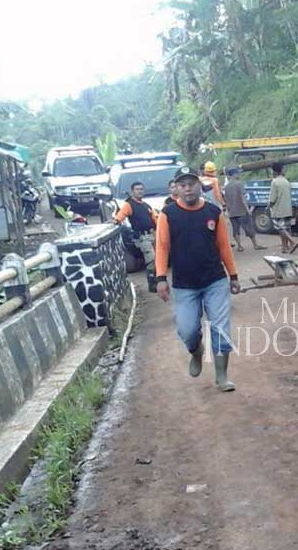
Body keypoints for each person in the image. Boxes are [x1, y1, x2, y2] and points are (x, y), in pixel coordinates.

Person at [156, 166, 241, 392]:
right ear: (177, 189)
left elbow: (224, 246)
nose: (187, 189)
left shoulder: (213, 213)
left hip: (215, 280)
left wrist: (233, 275)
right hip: (184, 284)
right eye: (182, 185)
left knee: (220, 328)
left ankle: (222, 376)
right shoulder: (168, 215)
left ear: (199, 185)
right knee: (187, 330)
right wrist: (160, 277)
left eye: (191, 184)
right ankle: (196, 351)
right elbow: (162, 247)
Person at [112, 181, 159, 291]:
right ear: (132, 191)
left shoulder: (146, 205)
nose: (139, 191)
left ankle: (157, 281)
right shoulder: (129, 204)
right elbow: (121, 215)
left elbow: (155, 219)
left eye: (141, 189)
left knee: (158, 259)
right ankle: (152, 283)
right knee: (151, 258)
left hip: (152, 235)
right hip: (142, 237)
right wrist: (116, 221)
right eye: (137, 189)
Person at [224, 166, 266, 251]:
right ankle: (255, 245)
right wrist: (248, 209)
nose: (239, 174)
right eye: (237, 173)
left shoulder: (227, 186)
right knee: (249, 228)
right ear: (234, 174)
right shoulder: (239, 184)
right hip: (241, 211)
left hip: (232, 212)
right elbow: (243, 198)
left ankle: (239, 246)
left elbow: (227, 200)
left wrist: (228, 211)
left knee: (235, 230)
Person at [268, 162, 298, 254]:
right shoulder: (286, 181)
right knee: (286, 227)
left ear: (273, 171)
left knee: (280, 228)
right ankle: (284, 247)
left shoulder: (274, 182)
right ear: (281, 170)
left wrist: (269, 206)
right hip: (287, 209)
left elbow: (273, 199)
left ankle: (293, 242)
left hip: (278, 209)